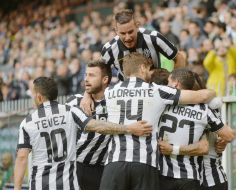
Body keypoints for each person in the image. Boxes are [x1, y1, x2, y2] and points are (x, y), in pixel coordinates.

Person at [100, 52, 217, 190]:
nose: (151, 74)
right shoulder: (157, 90)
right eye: (149, 69)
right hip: (144, 162)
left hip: (114, 161)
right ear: (143, 67)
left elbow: (97, 121)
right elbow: (201, 96)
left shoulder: (109, 92)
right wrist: (213, 93)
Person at [14, 77, 152, 190]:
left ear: (38, 97)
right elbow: (97, 126)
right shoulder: (70, 111)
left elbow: (22, 157)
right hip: (68, 184)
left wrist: (17, 188)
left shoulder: (28, 122)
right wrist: (129, 128)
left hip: (40, 184)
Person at [153, 69, 234, 190]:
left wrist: (172, 149)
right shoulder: (205, 109)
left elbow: (204, 147)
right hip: (192, 176)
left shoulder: (162, 104)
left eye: (169, 82)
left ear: (176, 84)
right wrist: (224, 140)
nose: (167, 85)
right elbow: (229, 135)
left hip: (171, 175)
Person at [101, 9, 185, 80]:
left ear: (137, 26)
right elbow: (101, 73)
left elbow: (179, 58)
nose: (127, 37)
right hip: (127, 91)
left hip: (154, 87)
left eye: (130, 32)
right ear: (116, 31)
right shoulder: (109, 50)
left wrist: (173, 82)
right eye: (123, 33)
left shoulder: (154, 38)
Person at [65, 60, 112, 190]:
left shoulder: (114, 103)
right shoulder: (74, 101)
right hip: (74, 165)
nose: (86, 79)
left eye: (92, 75)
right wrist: (86, 94)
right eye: (86, 75)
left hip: (99, 169)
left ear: (105, 79)